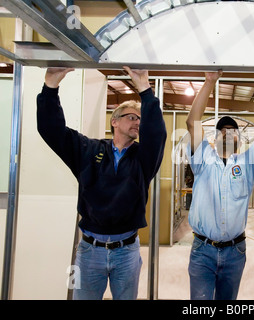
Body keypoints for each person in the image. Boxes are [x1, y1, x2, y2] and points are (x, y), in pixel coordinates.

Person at [36, 67, 166, 300]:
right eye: (131, 117)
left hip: (127, 251)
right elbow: (52, 130)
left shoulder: (143, 159)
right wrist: (50, 85)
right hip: (88, 251)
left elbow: (156, 135)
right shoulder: (88, 150)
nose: (137, 122)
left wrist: (145, 89)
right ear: (114, 121)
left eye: (140, 119)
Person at [185, 70, 254, 300]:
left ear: (239, 138)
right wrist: (209, 82)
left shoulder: (247, 163)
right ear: (214, 138)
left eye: (233, 131)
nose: (228, 133)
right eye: (222, 131)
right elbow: (191, 122)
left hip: (235, 252)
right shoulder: (203, 159)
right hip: (202, 251)